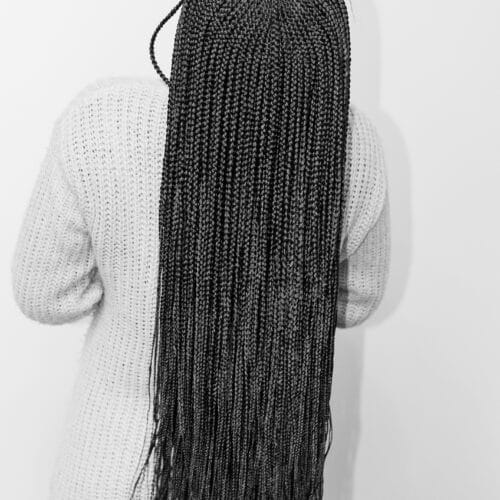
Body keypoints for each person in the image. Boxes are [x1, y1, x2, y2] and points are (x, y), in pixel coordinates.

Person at [11, 1, 389, 498]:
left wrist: (139, 286)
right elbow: (353, 300)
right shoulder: (350, 148)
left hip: (110, 475)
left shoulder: (101, 124)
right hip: (264, 474)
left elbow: (45, 295)